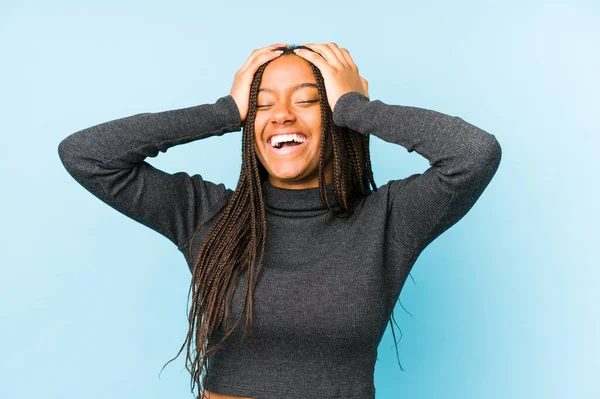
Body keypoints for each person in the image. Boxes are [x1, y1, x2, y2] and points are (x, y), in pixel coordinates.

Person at [57, 42, 502, 399]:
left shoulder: (389, 219)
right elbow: (87, 155)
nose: (282, 115)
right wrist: (224, 111)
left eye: (308, 101)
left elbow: (473, 154)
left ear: (335, 118)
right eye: (263, 105)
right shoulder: (207, 214)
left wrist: (355, 107)